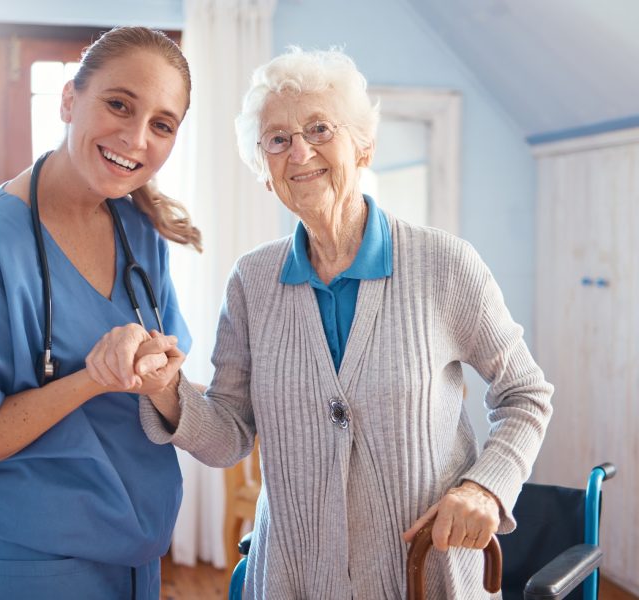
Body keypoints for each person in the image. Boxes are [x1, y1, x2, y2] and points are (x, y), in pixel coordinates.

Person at [103, 47, 554, 598]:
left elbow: (525, 394)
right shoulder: (252, 281)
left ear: (363, 144)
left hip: (426, 574)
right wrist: (164, 389)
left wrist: (486, 487)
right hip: (295, 576)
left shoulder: (444, 265)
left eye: (319, 128)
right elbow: (229, 437)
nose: (300, 152)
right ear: (264, 170)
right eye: (278, 139)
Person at [0, 26, 199, 600]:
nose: (136, 138)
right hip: (30, 564)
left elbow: (172, 385)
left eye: (161, 124)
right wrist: (91, 379)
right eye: (119, 104)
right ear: (70, 100)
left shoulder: (140, 234)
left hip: (138, 555)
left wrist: (159, 373)